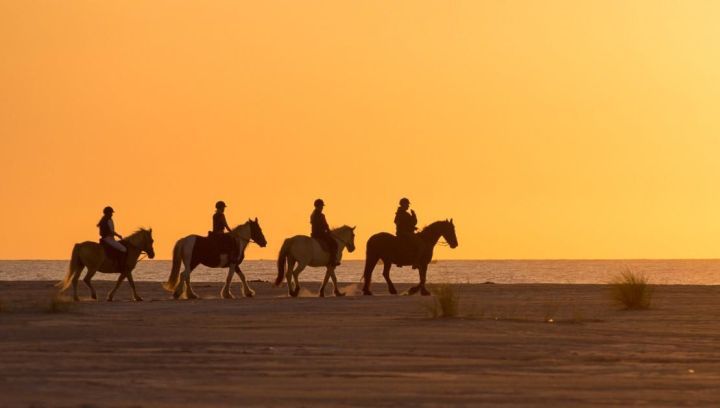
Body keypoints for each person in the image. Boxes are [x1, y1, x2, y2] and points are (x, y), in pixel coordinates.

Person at [394, 197, 424, 269]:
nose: (408, 206)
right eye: (407, 204)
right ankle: (415, 262)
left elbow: (403, 223)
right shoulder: (403, 213)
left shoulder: (400, 212)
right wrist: (414, 215)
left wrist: (413, 227)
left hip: (402, 232)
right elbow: (413, 222)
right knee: (421, 244)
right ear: (403, 204)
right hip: (405, 233)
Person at [311, 199, 339, 266]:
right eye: (321, 206)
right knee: (334, 243)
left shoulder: (312, 214)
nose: (322, 207)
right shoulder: (321, 215)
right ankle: (332, 260)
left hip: (314, 234)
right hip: (320, 234)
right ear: (318, 206)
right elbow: (325, 225)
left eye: (322, 206)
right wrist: (328, 231)